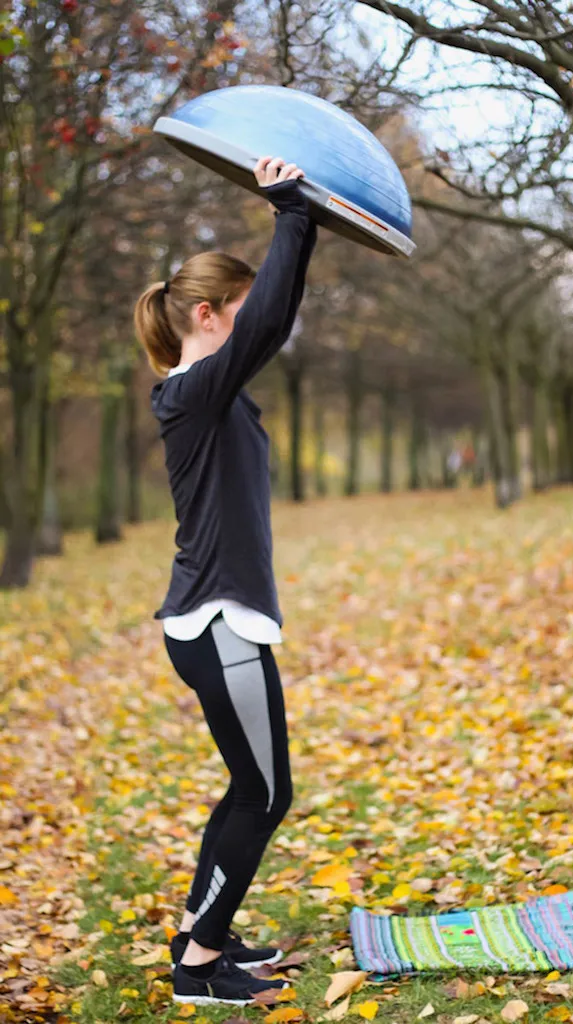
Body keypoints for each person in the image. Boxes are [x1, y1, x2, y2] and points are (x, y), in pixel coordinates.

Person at [134, 156, 317, 1007]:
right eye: (236, 316)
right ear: (206, 318)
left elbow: (266, 324)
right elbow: (269, 323)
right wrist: (292, 213)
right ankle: (199, 968)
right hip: (219, 627)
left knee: (251, 787)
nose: (255, 330)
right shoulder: (191, 394)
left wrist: (294, 227)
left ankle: (201, 939)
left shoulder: (209, 394)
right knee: (266, 793)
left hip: (220, 624)